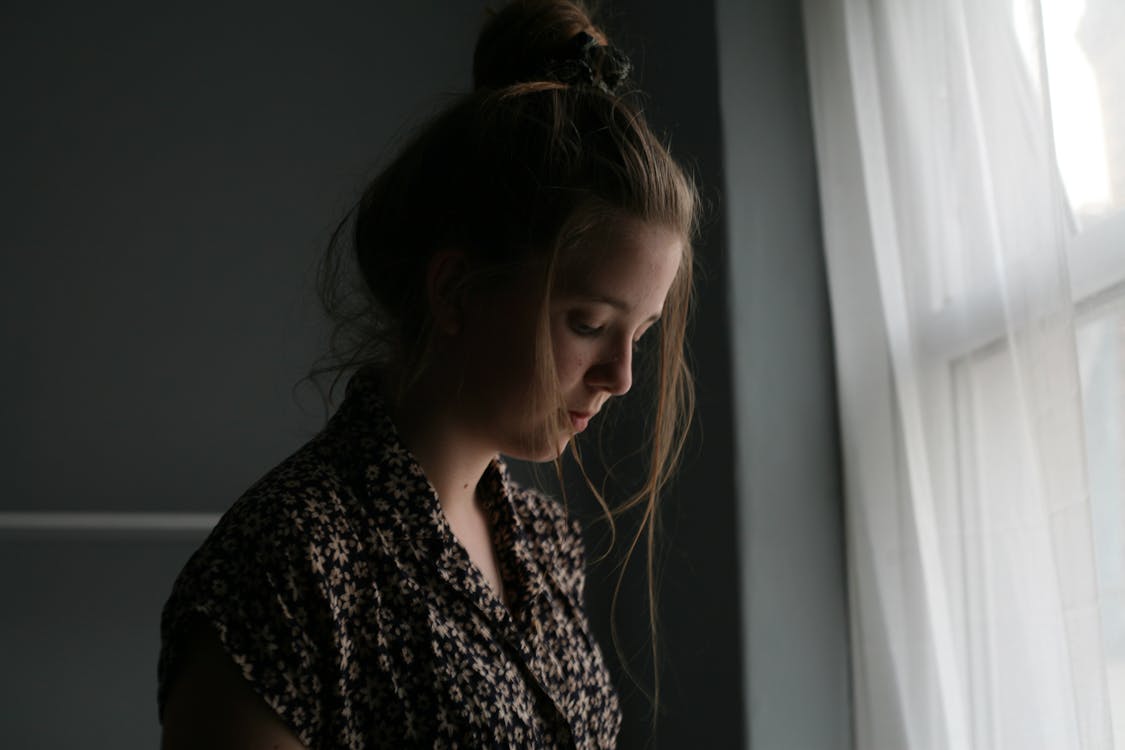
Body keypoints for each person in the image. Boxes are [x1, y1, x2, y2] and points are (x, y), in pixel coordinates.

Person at [157, 0, 698, 747]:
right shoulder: (290, 563)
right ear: (454, 291)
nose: (620, 376)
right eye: (587, 323)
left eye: (640, 332)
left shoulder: (545, 543)